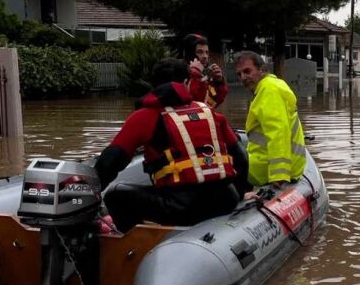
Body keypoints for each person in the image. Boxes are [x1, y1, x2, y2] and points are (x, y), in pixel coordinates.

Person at [94, 57, 248, 233]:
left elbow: (108, 164)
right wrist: (240, 195)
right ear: (186, 82)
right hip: (226, 200)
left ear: (153, 86)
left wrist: (89, 198)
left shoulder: (144, 116)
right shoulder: (210, 113)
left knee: (115, 195)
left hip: (181, 208)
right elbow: (241, 159)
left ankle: (134, 245)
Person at [234, 51, 306, 193]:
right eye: (239, 74)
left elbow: (278, 132)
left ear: (262, 70)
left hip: (266, 169)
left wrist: (279, 175)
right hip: (288, 165)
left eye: (247, 71)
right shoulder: (272, 85)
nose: (243, 77)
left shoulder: (269, 91)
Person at [183, 32, 228, 109]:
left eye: (207, 52)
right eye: (200, 52)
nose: (205, 56)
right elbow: (191, 103)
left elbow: (214, 102)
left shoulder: (206, 76)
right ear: (190, 53)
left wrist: (219, 82)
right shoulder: (180, 75)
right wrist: (196, 74)